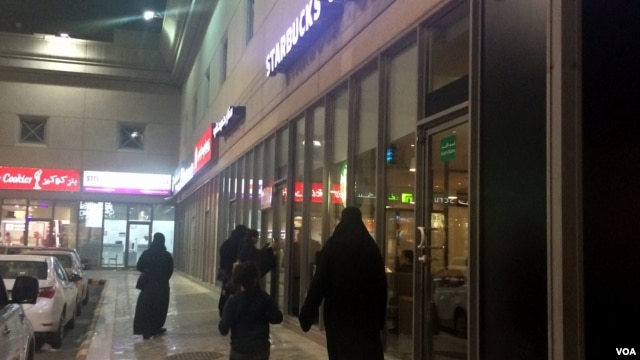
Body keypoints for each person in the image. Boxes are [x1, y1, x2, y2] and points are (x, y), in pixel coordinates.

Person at [299, 206, 387, 360]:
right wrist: (380, 318)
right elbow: (381, 285)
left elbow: (319, 281)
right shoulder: (371, 248)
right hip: (367, 315)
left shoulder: (334, 246)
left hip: (339, 314)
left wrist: (307, 313)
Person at [219, 261, 283, 360]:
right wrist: (264, 316)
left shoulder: (233, 301)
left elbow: (223, 329)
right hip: (261, 349)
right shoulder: (263, 297)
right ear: (255, 279)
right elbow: (277, 318)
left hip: (240, 350)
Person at [133, 232, 174, 339]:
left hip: (147, 285)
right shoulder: (166, 255)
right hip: (162, 286)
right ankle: (156, 328)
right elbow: (170, 271)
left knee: (146, 307)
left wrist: (147, 271)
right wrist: (163, 278)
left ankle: (145, 330)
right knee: (159, 308)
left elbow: (139, 266)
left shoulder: (147, 253)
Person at [218, 225, 248, 314]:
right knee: (235, 291)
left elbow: (221, 253)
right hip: (233, 271)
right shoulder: (238, 243)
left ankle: (222, 308)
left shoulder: (227, 242)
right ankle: (232, 311)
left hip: (225, 270)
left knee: (225, 290)